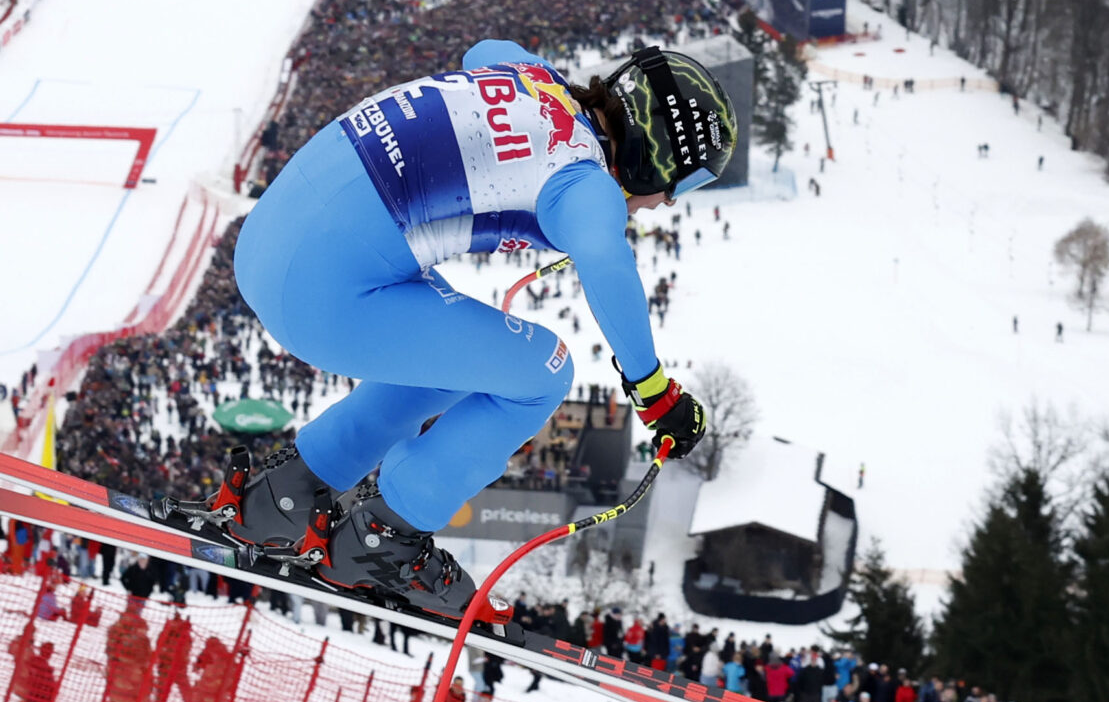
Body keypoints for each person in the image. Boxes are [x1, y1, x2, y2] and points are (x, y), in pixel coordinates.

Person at [225, 42, 732, 616]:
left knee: (462, 360)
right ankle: (384, 541)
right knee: (544, 371)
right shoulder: (584, 183)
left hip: (267, 243)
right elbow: (606, 260)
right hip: (324, 298)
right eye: (682, 184)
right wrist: (653, 390)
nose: (666, 203)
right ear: (659, 154)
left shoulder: (534, 80)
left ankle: (287, 494)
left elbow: (483, 50)